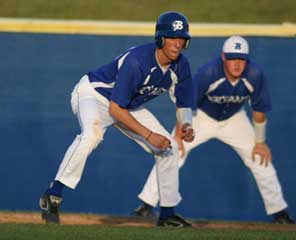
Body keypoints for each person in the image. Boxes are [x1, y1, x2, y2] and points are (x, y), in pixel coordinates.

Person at [39, 11, 195, 227]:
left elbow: (183, 102)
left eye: (181, 38)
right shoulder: (137, 61)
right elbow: (115, 109)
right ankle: (53, 194)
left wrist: (186, 124)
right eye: (171, 37)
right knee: (92, 135)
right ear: (160, 38)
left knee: (170, 148)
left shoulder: (181, 65)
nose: (177, 43)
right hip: (94, 94)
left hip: (126, 105)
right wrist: (149, 135)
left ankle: (167, 214)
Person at [133, 35, 295, 224]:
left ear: (247, 61)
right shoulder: (209, 72)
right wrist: (179, 135)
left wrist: (260, 142)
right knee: (172, 151)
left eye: (241, 59)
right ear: (223, 57)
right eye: (232, 58)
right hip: (202, 117)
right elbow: (185, 104)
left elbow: (259, 112)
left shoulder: (254, 75)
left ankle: (280, 212)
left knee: (260, 157)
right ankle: (146, 204)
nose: (237, 64)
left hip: (235, 119)